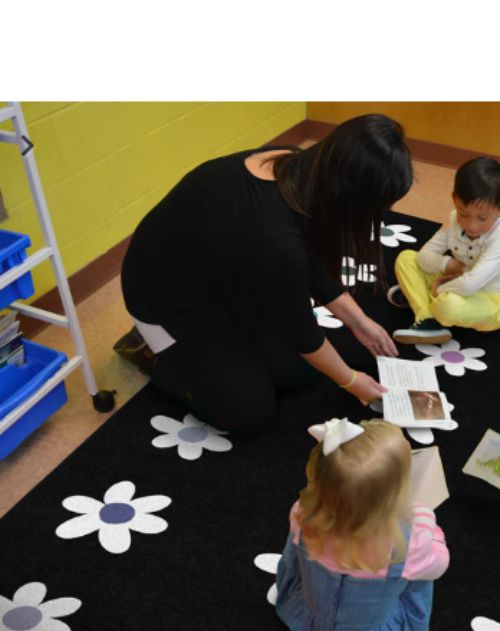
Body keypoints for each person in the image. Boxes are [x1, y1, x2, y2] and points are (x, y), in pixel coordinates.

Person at [116, 115, 412, 433]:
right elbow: (300, 329)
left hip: (222, 276)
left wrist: (357, 321)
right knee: (247, 410)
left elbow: (309, 256)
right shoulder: (274, 238)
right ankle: (151, 350)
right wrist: (351, 382)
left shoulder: (294, 166)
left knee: (301, 372)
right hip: (164, 298)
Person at [275, 417, 449, 631]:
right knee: (420, 573)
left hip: (307, 622)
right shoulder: (408, 542)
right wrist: (426, 520)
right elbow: (439, 565)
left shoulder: (302, 514)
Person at [388, 156, 500, 345]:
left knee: (447, 307)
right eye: (463, 214)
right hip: (461, 277)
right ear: (454, 200)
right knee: (406, 259)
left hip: (494, 299)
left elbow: (470, 285)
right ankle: (428, 319)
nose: (471, 225)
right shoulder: (454, 218)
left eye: (482, 218)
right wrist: (447, 264)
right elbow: (423, 257)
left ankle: (422, 300)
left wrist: (439, 289)